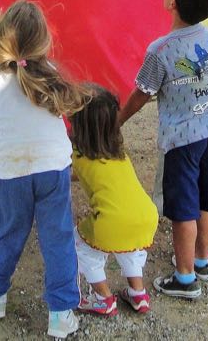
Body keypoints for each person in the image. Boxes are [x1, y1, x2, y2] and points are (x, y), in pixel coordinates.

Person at [119, 0, 208, 300]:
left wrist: (117, 121)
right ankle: (200, 260)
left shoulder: (160, 50)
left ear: (174, 2)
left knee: (183, 208)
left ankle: (185, 279)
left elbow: (142, 93)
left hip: (182, 140)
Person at [0, 0, 89, 339]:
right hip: (53, 167)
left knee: (10, 230)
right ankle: (61, 314)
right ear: (43, 40)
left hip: (12, 169)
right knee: (58, 236)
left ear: (1, 37)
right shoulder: (51, 72)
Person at [70, 85, 158, 317]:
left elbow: (74, 174)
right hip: (145, 216)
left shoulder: (78, 156)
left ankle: (103, 299)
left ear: (78, 124)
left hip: (112, 221)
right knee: (129, 246)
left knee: (79, 246)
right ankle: (138, 294)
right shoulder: (119, 153)